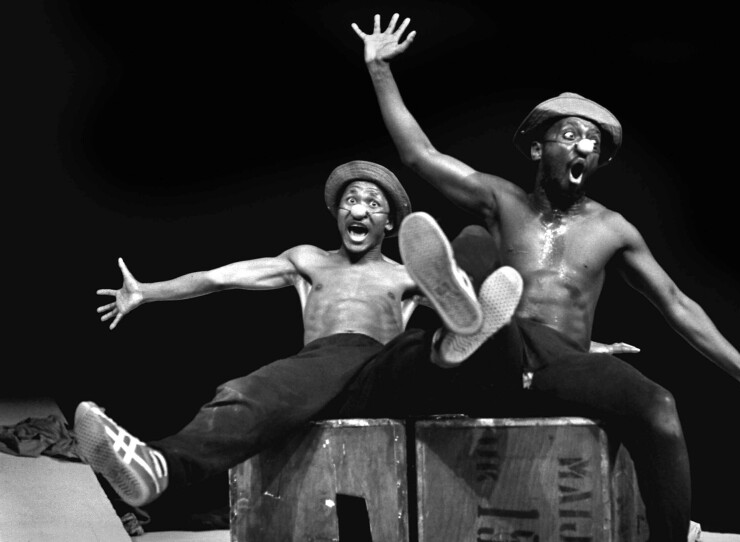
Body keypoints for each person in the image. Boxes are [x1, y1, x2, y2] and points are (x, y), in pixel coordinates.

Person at [352, 15, 740, 542]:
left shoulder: (611, 229)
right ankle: (461, 318)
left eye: (593, 143)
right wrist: (380, 70)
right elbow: (419, 154)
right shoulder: (500, 200)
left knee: (659, 407)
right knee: (474, 243)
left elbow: (675, 301)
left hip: (561, 367)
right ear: (539, 149)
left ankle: (670, 539)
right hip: (498, 360)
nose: (583, 147)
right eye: (571, 135)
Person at [76, 160, 523, 509]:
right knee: (246, 392)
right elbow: (219, 277)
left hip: (382, 380)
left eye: (373, 203)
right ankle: (161, 466)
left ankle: (454, 334)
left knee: (415, 344)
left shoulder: (407, 274)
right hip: (316, 378)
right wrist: (147, 291)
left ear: (389, 224)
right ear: (337, 213)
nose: (359, 209)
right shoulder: (307, 261)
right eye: (351, 200)